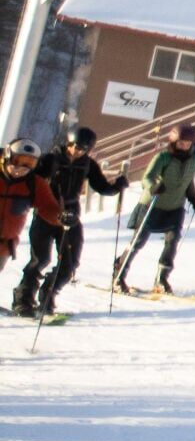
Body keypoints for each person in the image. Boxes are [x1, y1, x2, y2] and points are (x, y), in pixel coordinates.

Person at [15, 127, 127, 316]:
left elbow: (101, 187)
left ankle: (47, 296)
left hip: (71, 214)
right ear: (67, 143)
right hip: (47, 213)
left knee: (70, 263)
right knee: (40, 259)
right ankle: (23, 301)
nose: (76, 151)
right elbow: (33, 181)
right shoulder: (51, 159)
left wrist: (117, 186)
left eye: (82, 148)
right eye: (73, 146)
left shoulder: (88, 165)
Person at [113, 123, 195, 295]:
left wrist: (194, 199)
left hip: (175, 207)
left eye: (187, 143)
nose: (183, 146)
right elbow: (146, 179)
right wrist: (154, 187)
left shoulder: (194, 160)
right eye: (180, 143)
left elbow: (188, 182)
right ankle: (119, 273)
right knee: (138, 241)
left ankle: (162, 278)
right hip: (152, 205)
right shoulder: (163, 157)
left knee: (172, 241)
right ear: (174, 141)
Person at [2, 139, 62, 315]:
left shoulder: (34, 183)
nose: (21, 168)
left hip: (4, 243)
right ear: (7, 156)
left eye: (29, 164)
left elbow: (48, 208)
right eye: (18, 161)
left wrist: (61, 217)